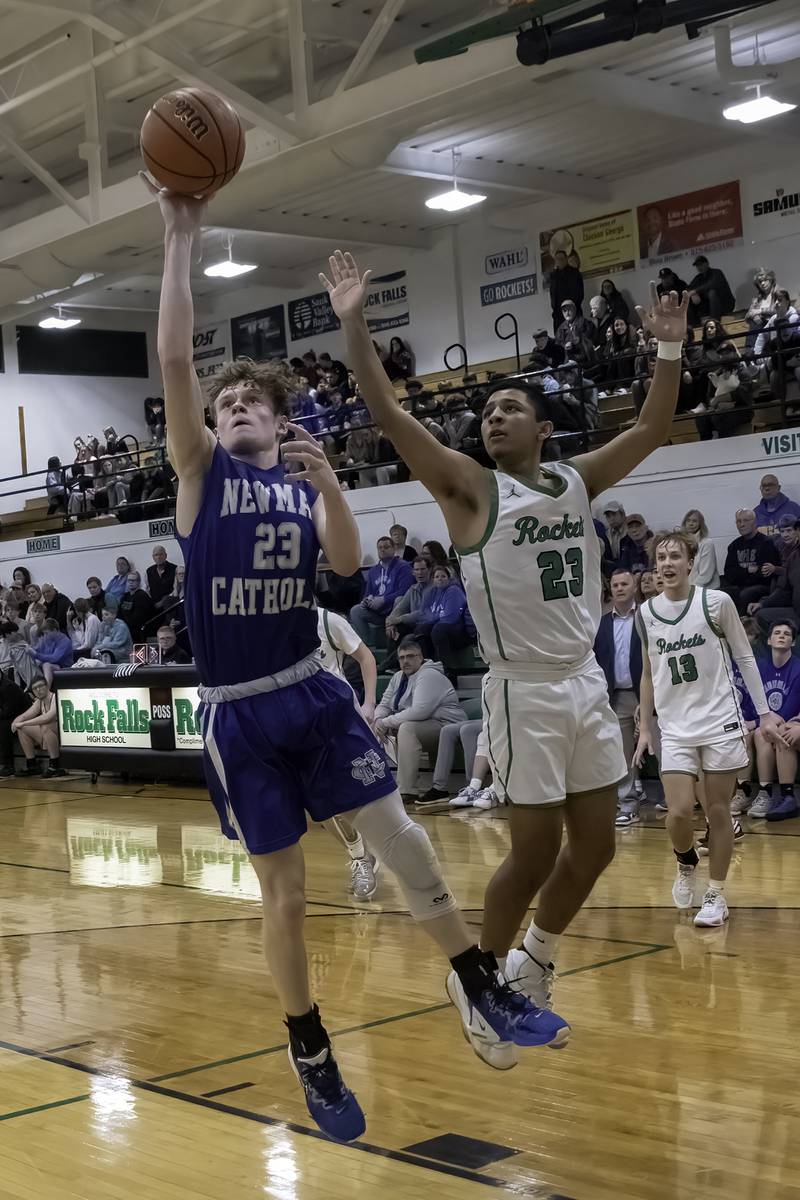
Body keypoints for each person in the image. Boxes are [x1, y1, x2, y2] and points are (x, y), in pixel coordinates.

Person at [147, 184, 565, 1141]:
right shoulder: (201, 475)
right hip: (241, 713)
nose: (234, 405)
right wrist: (181, 231)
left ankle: (481, 986)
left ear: (280, 419)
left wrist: (332, 482)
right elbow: (175, 355)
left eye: (252, 399)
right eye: (225, 402)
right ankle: (312, 1050)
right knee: (286, 896)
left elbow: (345, 567)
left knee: (406, 843)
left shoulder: (302, 491)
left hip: (314, 692)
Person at [325, 246, 689, 1068]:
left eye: (510, 406)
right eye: (486, 410)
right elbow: (387, 414)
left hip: (585, 684)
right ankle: (480, 984)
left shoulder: (574, 479)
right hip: (522, 688)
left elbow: (654, 427)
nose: (493, 417)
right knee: (529, 852)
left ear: (544, 428)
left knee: (595, 846)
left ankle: (536, 962)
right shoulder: (468, 489)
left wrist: (667, 349)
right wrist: (354, 324)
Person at [635, 531, 782, 926]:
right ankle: (685, 861)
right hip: (676, 725)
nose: (666, 563)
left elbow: (746, 659)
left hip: (719, 720)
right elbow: (649, 674)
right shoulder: (646, 612)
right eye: (660, 557)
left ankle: (716, 894)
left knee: (718, 811)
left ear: (690, 562)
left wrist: (765, 714)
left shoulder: (716, 602)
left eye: (674, 556)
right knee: (679, 813)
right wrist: (645, 727)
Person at [316, 606, 381, 899]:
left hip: (340, 717)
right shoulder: (271, 626)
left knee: (355, 797)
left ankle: (363, 857)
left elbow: (365, 656)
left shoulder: (328, 620)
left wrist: (369, 704)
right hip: (300, 722)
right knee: (320, 806)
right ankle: (360, 856)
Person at [372, 636, 466, 804]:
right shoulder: (398, 677)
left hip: (448, 725)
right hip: (426, 724)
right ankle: (395, 786)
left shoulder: (428, 674)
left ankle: (406, 790)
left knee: (407, 728)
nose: (405, 661)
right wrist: (378, 719)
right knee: (398, 726)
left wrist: (386, 722)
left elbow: (420, 711)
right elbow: (384, 703)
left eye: (410, 656)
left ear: (421, 657)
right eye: (401, 657)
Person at [594, 569, 643, 825]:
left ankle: (680, 801)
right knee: (623, 754)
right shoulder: (601, 624)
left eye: (625, 584)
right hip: (619, 697)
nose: (620, 588)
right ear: (610, 590)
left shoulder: (647, 617)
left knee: (664, 748)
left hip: (649, 695)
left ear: (634, 587)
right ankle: (629, 805)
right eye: (615, 585)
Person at [740, 621, 800, 821]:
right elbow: (753, 703)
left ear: (792, 642)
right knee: (759, 732)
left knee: (774, 731)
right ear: (769, 640)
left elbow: (787, 710)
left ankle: (784, 796)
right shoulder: (760, 668)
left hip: (788, 723)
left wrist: (760, 722)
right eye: (777, 633)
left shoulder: (798, 668)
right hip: (771, 725)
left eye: (787, 634)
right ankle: (763, 794)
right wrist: (759, 722)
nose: (782, 636)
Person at [349, 537, 413, 642]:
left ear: (394, 549)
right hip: (378, 613)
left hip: (395, 611)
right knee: (356, 610)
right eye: (380, 548)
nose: (382, 550)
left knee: (400, 599)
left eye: (386, 547)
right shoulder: (373, 571)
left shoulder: (404, 567)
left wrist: (384, 599)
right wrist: (366, 600)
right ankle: (367, 645)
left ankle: (393, 638)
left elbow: (405, 591)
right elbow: (367, 593)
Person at [412, 565, 471, 670]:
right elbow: (423, 613)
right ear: (433, 579)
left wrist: (433, 617)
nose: (440, 579)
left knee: (438, 629)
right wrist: (438, 616)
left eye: (443, 576)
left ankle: (447, 669)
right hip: (438, 629)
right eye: (437, 577)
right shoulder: (431, 592)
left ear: (448, 578)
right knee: (420, 630)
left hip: (458, 632)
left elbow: (450, 617)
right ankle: (427, 667)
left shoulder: (454, 591)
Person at [722, 509, 781, 613]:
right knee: (718, 594)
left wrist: (740, 575)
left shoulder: (766, 543)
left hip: (762, 587)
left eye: (746, 520)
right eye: (738, 521)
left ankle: (742, 626)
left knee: (745, 594)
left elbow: (764, 575)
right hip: (739, 586)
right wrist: (748, 571)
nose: (742, 524)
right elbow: (729, 574)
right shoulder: (733, 546)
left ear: (755, 522)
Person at [12, 676, 65, 778]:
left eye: (40, 686)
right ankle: (32, 765)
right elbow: (26, 715)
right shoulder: (39, 701)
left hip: (63, 736)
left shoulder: (56, 697)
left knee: (45, 725)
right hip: (49, 735)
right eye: (35, 688)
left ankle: (55, 765)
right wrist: (16, 721)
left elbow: (47, 718)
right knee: (21, 729)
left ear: (47, 685)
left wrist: (23, 723)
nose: (38, 690)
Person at [385, 557, 432, 644]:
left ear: (429, 570)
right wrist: (390, 623)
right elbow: (401, 608)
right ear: (413, 572)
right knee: (394, 631)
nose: (420, 572)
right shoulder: (413, 589)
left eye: (423, 569)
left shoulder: (435, 588)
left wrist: (400, 619)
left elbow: (423, 613)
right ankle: (391, 658)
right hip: (413, 624)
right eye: (417, 570)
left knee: (410, 637)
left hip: (428, 625)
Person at [687, 255, 735, 325]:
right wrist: (693, 294)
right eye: (697, 266)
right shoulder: (698, 278)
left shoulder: (717, 272)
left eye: (701, 264)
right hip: (709, 308)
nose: (699, 267)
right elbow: (689, 287)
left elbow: (712, 284)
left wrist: (695, 291)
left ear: (707, 263)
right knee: (689, 298)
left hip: (725, 304)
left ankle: (714, 321)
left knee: (712, 292)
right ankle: (693, 325)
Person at [0, 670, 30, 776]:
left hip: (24, 717)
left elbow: (9, 711)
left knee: (3, 727)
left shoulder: (8, 686)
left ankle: (8, 765)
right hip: (8, 716)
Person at [548, 249, 584, 331]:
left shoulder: (575, 273)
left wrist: (572, 309)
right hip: (558, 314)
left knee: (576, 338)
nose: (559, 261)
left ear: (566, 259)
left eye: (562, 258)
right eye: (557, 259)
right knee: (560, 340)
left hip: (574, 312)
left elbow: (579, 294)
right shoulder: (554, 276)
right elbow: (553, 295)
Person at [118, 569, 156, 646]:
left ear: (138, 582)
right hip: (124, 628)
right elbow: (119, 613)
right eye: (129, 580)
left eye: (133, 580)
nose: (131, 582)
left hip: (137, 630)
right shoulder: (125, 596)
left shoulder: (142, 596)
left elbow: (138, 618)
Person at [682, 509, 719, 587]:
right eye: (688, 520)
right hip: (687, 589)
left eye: (694, 521)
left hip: (706, 590)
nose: (691, 523)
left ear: (700, 524)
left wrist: (689, 591)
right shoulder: (681, 544)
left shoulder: (707, 543)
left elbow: (706, 575)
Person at [32, 618, 73, 685]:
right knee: (33, 662)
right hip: (51, 664)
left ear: (55, 630)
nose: (45, 636)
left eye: (47, 633)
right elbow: (37, 650)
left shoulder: (65, 641)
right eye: (44, 634)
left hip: (64, 668)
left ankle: (46, 691)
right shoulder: (46, 639)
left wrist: (36, 655)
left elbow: (54, 659)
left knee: (47, 665)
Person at [602, 499, 627, 564]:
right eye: (608, 516)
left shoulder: (630, 530)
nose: (612, 518)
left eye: (614, 514)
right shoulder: (606, 534)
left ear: (622, 514)